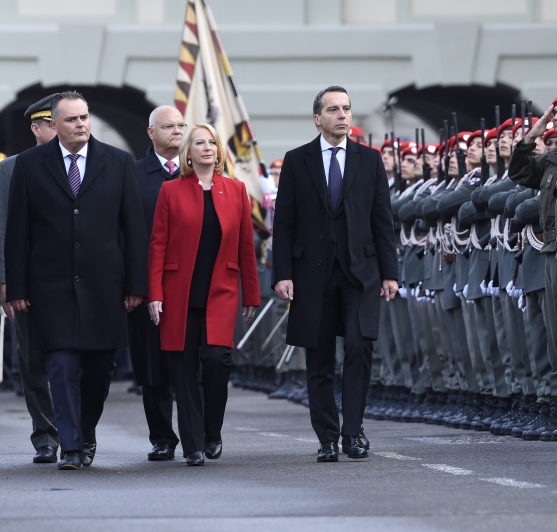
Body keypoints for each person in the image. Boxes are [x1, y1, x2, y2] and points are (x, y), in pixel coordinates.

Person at [5, 91, 147, 470]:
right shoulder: (30, 165)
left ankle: (85, 433)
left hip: (105, 287)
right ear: (55, 124)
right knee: (62, 367)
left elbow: (134, 229)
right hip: (51, 287)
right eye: (72, 119)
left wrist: (136, 284)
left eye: (84, 117)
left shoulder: (117, 162)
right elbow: (17, 231)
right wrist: (16, 287)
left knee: (100, 369)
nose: (81, 124)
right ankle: (69, 446)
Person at [272, 86, 398, 463]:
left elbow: (382, 221)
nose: (342, 114)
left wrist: (389, 273)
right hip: (313, 276)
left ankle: (353, 431)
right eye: (333, 109)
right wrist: (283, 274)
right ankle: (326, 436)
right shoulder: (298, 161)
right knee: (319, 358)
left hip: (360, 274)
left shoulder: (369, 160)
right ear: (318, 119)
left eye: (346, 108)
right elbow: (285, 223)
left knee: (360, 348)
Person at [147, 123, 260, 466]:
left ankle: (213, 431)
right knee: (183, 371)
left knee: (216, 362)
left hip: (221, 292)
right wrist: (154, 293)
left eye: (212, 142)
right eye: (200, 142)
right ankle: (193, 445)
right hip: (178, 293)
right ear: (189, 153)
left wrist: (251, 295)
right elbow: (158, 245)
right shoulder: (171, 191)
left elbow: (245, 248)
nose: (207, 147)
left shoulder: (237, 190)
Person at [0, 93, 60, 464]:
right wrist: (6, 281)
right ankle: (45, 435)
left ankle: (76, 429)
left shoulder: (87, 163)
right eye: (52, 123)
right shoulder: (14, 167)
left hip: (74, 278)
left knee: (76, 359)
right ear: (36, 128)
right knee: (33, 359)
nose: (60, 128)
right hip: (31, 280)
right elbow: (5, 229)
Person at [128, 105, 183, 461]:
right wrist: (134, 286)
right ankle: (162, 436)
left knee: (194, 364)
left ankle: (202, 433)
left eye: (181, 125)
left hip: (191, 282)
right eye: (168, 126)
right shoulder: (132, 175)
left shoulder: (199, 171)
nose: (177, 132)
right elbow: (128, 235)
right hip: (149, 285)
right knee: (154, 367)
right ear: (151, 133)